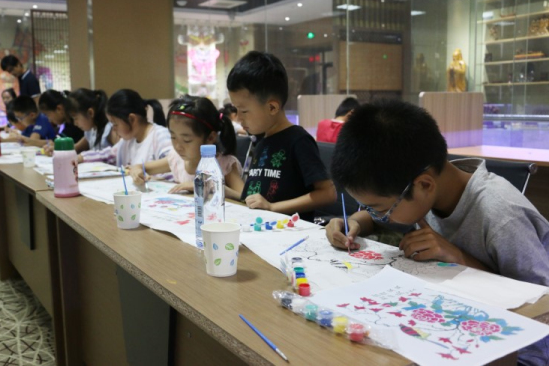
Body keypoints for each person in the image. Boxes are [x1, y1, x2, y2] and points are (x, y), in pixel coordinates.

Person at [325, 99, 549, 366]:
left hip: (518, 353)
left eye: (379, 208)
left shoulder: (501, 215)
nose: (378, 215)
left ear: (424, 185)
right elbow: (386, 215)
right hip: (454, 325)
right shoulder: (429, 189)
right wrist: (356, 221)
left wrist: (458, 258)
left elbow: (540, 306)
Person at [227, 51, 336, 221]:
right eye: (236, 110)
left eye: (244, 111)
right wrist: (230, 193)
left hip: (290, 235)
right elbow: (257, 199)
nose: (239, 117)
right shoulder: (262, 140)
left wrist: (273, 208)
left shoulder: (298, 140)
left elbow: (328, 193)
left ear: (272, 108)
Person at [131, 95, 245, 198]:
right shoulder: (177, 159)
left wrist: (212, 187)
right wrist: (137, 171)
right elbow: (141, 167)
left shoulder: (224, 164)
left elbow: (246, 198)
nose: (178, 146)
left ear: (210, 138)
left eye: (186, 140)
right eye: (173, 137)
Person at [91, 89, 172, 167]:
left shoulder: (160, 136)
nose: (114, 129)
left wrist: (144, 172)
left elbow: (172, 165)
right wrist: (81, 157)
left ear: (132, 119)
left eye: (115, 124)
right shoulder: (127, 141)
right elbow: (107, 155)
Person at [68, 89, 117, 161]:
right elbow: (76, 147)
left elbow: (118, 152)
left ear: (90, 113)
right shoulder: (91, 130)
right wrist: (59, 150)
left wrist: (84, 157)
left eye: (76, 118)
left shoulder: (110, 129)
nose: (75, 123)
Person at [38, 90, 85, 154]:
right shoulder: (68, 124)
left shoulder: (76, 124)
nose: (49, 120)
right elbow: (54, 142)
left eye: (48, 115)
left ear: (59, 109)